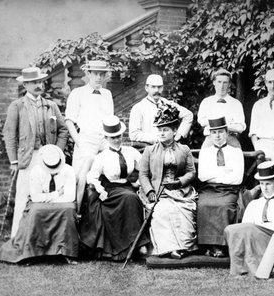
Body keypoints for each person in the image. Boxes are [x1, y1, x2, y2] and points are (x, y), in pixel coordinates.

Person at [3, 67, 68, 238]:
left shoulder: (51, 105)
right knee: (23, 198)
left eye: (39, 81)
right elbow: (9, 134)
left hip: (48, 159)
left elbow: (63, 130)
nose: (38, 85)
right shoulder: (17, 106)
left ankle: (43, 240)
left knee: (47, 196)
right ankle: (17, 239)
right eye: (33, 82)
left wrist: (57, 152)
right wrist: (14, 161)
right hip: (27, 158)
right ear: (25, 84)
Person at [79, 115, 148, 261]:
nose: (117, 140)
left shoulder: (131, 151)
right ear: (106, 138)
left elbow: (144, 169)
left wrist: (140, 183)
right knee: (130, 198)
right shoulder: (102, 156)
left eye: (119, 136)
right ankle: (136, 244)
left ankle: (136, 243)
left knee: (131, 197)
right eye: (113, 137)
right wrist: (100, 190)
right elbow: (91, 177)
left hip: (127, 186)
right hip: (110, 189)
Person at [0, 145, 78, 263]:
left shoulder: (69, 171)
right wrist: (57, 193)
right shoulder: (36, 171)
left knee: (69, 210)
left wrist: (47, 198)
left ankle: (66, 252)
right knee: (35, 211)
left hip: (60, 203)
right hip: (45, 202)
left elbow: (70, 197)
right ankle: (31, 253)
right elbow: (35, 197)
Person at [139, 104, 198, 259]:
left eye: (165, 130)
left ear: (174, 131)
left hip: (180, 190)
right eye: (159, 129)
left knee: (183, 210)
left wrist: (179, 182)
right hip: (158, 192)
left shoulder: (184, 149)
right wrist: (150, 191)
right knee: (162, 211)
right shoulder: (149, 151)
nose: (162, 133)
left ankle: (183, 247)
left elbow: (191, 172)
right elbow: (143, 175)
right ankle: (169, 248)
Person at [224, 161, 274, 275]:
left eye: (268, 184)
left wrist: (257, 229)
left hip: (272, 237)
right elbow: (245, 227)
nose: (264, 188)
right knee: (230, 229)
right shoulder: (254, 204)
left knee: (249, 229)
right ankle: (238, 267)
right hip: (253, 236)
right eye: (262, 183)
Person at [64, 60, 114, 212]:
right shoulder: (77, 93)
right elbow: (69, 121)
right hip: (86, 139)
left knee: (111, 170)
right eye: (96, 74)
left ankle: (103, 213)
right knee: (82, 177)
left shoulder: (107, 94)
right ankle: (77, 213)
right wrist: (79, 143)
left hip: (104, 139)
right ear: (88, 74)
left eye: (102, 74)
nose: (99, 77)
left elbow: (109, 120)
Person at [197, 116, 244, 257]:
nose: (217, 136)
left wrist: (216, 174)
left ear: (227, 133)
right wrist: (225, 172)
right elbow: (202, 176)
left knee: (224, 206)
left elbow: (237, 178)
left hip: (229, 189)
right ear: (210, 134)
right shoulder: (205, 152)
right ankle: (208, 244)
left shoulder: (235, 152)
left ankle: (222, 245)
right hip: (209, 189)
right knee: (203, 205)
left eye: (220, 132)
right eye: (214, 132)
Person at [129, 74, 193, 145]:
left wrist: (179, 135)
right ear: (146, 88)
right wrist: (157, 139)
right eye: (153, 87)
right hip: (149, 148)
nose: (157, 90)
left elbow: (188, 115)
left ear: (162, 88)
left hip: (169, 148)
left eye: (159, 87)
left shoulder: (168, 104)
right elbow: (134, 134)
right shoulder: (138, 108)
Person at [197, 68, 246, 148]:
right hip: (211, 139)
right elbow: (202, 121)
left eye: (225, 82)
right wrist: (228, 124)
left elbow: (240, 127)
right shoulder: (206, 102)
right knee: (204, 157)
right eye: (219, 82)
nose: (222, 86)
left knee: (237, 156)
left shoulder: (236, 104)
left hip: (230, 138)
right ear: (214, 83)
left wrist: (216, 123)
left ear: (229, 84)